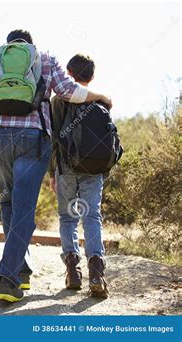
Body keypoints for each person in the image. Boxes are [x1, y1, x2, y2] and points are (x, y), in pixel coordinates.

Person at [0, 29, 112, 303]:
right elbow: (69, 92)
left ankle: (22, 271)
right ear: (29, 46)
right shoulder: (44, 59)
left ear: (9, 47)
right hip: (32, 141)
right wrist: (101, 96)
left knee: (8, 204)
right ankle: (8, 279)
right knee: (23, 211)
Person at [48, 54, 109, 298]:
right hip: (94, 169)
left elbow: (52, 138)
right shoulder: (101, 101)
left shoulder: (58, 101)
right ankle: (96, 273)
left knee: (68, 218)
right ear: (92, 76)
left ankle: (73, 272)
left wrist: (52, 172)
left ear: (69, 75)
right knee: (92, 216)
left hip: (66, 167)